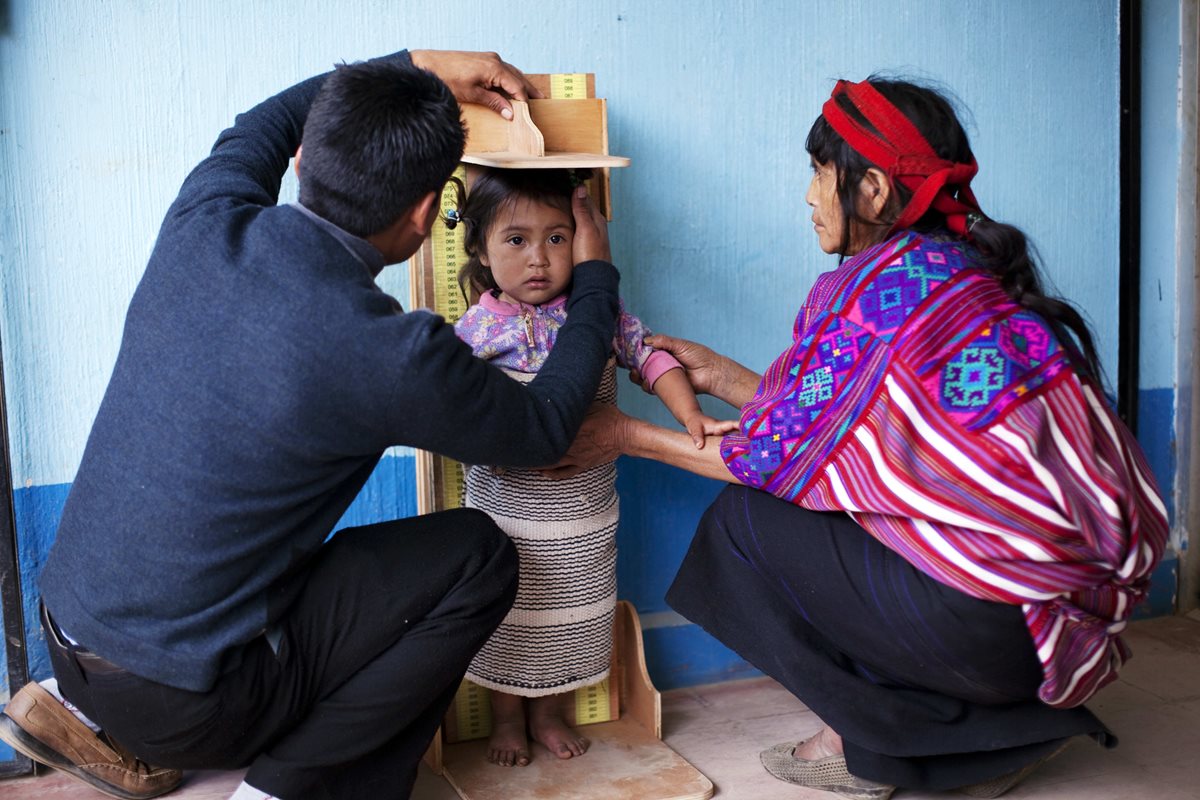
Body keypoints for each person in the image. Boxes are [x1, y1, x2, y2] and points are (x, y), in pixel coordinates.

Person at [0, 49, 624, 800]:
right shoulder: (388, 351)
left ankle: (100, 717)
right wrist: (594, 277)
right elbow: (547, 424)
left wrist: (416, 64)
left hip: (65, 636)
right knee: (476, 556)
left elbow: (257, 122)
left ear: (302, 160)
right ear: (427, 216)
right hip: (190, 705)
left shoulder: (204, 221)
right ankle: (284, 790)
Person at [551, 77, 1168, 800]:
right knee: (841, 500)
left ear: (871, 189)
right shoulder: (959, 277)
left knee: (741, 526)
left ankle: (884, 742)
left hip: (996, 637)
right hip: (1058, 625)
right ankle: (994, 730)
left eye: (819, 173)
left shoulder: (878, 299)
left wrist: (621, 433)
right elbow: (850, 422)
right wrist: (720, 373)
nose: (810, 196)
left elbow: (774, 459)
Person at [448, 168, 735, 768]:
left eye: (558, 238)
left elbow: (654, 362)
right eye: (516, 240)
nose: (539, 259)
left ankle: (549, 713)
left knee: (568, 618)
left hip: (580, 518)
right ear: (479, 247)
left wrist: (692, 419)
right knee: (506, 617)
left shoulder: (600, 316)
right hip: (507, 516)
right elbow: (448, 409)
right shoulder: (474, 331)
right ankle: (505, 718)